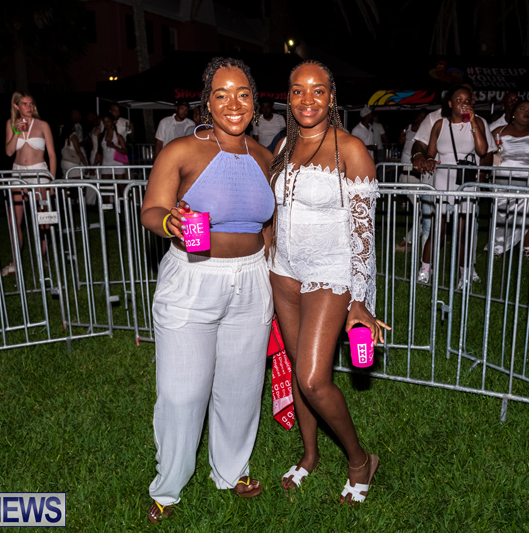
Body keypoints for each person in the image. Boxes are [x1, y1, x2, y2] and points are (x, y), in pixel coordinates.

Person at [140, 57, 275, 523]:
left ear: (254, 102)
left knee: (241, 387)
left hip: (252, 278)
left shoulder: (265, 158)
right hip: (193, 276)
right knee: (183, 391)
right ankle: (169, 486)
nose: (233, 103)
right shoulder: (182, 150)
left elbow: (269, 227)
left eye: (242, 93)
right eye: (221, 94)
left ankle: (231, 469)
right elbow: (151, 210)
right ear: (207, 102)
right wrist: (170, 223)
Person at [270, 60, 389, 505]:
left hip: (329, 272)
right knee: (299, 369)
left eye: (317, 90)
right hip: (284, 271)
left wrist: (359, 299)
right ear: (288, 97)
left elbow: (364, 235)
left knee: (313, 378)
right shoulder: (284, 143)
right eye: (298, 90)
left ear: (332, 97)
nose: (307, 99)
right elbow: (276, 210)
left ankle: (360, 460)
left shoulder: (351, 149)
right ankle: (310, 455)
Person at [415, 86, 490, 286]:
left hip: (465, 184)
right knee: (437, 230)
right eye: (459, 100)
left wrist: (472, 122)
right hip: (442, 182)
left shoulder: (477, 123)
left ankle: (464, 275)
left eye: (467, 100)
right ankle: (425, 271)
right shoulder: (440, 124)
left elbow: (483, 150)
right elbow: (431, 153)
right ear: (450, 103)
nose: (464, 104)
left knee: (463, 232)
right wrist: (429, 160)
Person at [489, 100, 529, 257]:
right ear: (513, 113)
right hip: (503, 181)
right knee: (501, 215)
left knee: (528, 215)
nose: (527, 112)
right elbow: (490, 156)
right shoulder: (498, 131)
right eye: (523, 109)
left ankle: (527, 247)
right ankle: (498, 248)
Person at [3, 91, 57, 277]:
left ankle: (42, 257)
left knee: (43, 218)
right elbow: (9, 152)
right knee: (14, 220)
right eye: (24, 104)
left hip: (39, 172)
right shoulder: (11, 124)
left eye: (31, 103)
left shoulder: (43, 125)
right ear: (16, 106)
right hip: (18, 173)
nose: (29, 107)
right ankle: (15, 261)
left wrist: (51, 181)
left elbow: (52, 154)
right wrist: (16, 132)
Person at [395, 109, 429, 252]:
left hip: (419, 175)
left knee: (425, 211)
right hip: (407, 175)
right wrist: (401, 137)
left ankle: (409, 242)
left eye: (424, 116)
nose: (421, 118)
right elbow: (400, 142)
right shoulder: (408, 128)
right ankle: (406, 243)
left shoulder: (427, 131)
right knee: (425, 212)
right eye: (419, 115)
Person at [95, 114, 128, 202]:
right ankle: (107, 206)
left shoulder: (118, 136)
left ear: (112, 122)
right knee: (106, 187)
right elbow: (99, 152)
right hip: (106, 164)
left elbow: (125, 151)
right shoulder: (101, 136)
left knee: (121, 186)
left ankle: (124, 205)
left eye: (108, 121)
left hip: (118, 163)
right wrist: (94, 165)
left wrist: (114, 146)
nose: (106, 124)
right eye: (104, 122)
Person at [60, 109, 89, 176]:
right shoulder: (73, 136)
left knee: (69, 180)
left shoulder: (63, 136)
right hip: (72, 162)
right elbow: (78, 151)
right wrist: (85, 164)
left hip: (64, 162)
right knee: (80, 180)